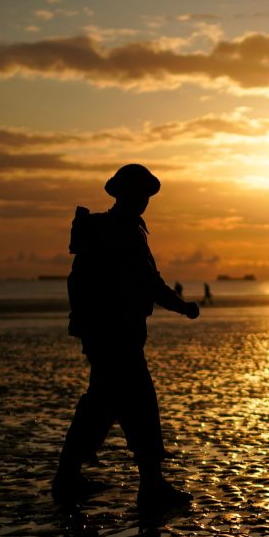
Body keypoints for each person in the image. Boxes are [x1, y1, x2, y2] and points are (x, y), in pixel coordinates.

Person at [53, 163, 200, 510]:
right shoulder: (121, 231)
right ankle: (149, 485)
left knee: (102, 407)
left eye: (146, 195)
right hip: (115, 338)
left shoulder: (116, 229)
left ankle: (70, 478)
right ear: (124, 194)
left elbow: (142, 281)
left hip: (111, 336)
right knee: (138, 405)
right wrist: (182, 306)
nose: (144, 200)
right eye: (140, 193)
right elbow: (149, 283)